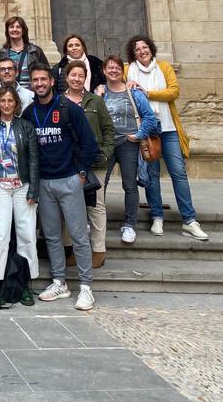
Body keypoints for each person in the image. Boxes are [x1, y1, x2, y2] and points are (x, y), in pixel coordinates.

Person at [22, 66, 99, 310]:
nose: (39, 83)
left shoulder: (69, 108)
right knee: (52, 235)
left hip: (69, 179)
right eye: (35, 80)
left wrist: (81, 173)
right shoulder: (29, 112)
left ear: (52, 81)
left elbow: (89, 143)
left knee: (78, 235)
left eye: (43, 79)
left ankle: (86, 287)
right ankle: (59, 282)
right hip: (44, 182)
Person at [125, 35, 208, 240]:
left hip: (168, 128)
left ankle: (189, 220)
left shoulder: (164, 67)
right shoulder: (128, 70)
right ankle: (157, 216)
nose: (142, 51)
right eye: (137, 49)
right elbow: (120, 90)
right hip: (147, 130)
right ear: (133, 53)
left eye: (145, 47)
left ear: (151, 48)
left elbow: (174, 91)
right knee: (152, 175)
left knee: (178, 173)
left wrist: (147, 93)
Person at [94, 54, 158, 249]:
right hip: (107, 145)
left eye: (117, 68)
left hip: (128, 144)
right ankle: (96, 221)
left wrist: (139, 135)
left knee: (129, 185)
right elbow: (92, 117)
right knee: (99, 184)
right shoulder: (100, 93)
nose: (113, 70)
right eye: (110, 67)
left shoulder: (134, 92)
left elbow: (149, 117)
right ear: (104, 71)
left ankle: (129, 225)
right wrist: (98, 96)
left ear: (122, 71)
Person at [0, 86, 39, 306]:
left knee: (27, 234)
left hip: (22, 186)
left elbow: (34, 159)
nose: (6, 105)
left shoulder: (26, 126)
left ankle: (25, 283)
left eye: (10, 101)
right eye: (3, 101)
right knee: (0, 235)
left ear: (16, 103)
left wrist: (34, 189)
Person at [63, 59, 116, 267]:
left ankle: (98, 250)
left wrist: (105, 154)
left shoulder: (95, 101)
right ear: (66, 77)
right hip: (68, 164)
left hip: (95, 163)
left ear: (86, 78)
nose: (77, 79)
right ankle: (70, 249)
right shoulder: (59, 102)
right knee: (69, 207)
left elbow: (109, 130)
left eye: (81, 76)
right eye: (73, 75)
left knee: (96, 206)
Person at [0, 16, 49, 90]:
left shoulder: (35, 51)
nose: (14, 29)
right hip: (9, 94)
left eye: (18, 27)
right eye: (11, 27)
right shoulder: (2, 53)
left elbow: (46, 72)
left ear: (23, 31)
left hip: (32, 93)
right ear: (7, 31)